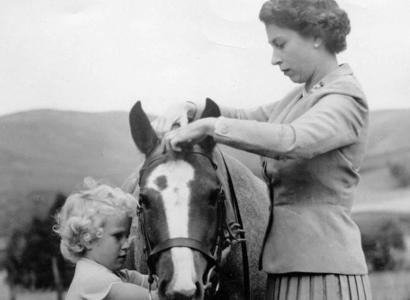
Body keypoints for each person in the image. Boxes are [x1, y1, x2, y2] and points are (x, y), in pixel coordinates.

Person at [152, 0, 372, 298]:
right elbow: (244, 118)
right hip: (285, 268)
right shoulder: (300, 98)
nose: (274, 59)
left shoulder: (345, 97)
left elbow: (291, 140)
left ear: (317, 36)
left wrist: (210, 127)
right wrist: (192, 107)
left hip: (325, 273)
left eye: (280, 44)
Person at [53, 177, 159, 300]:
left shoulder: (114, 274)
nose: (126, 244)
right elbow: (157, 297)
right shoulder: (93, 280)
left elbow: (152, 282)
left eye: (127, 236)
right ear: (86, 239)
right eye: (118, 236)